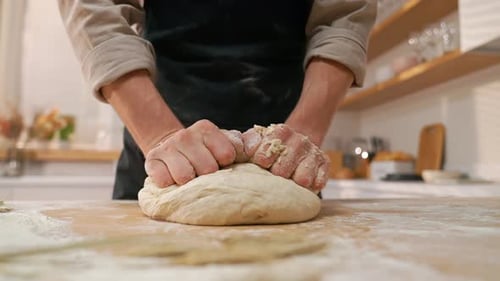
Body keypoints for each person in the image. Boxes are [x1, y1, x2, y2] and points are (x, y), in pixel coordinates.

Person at [58, 0, 376, 200]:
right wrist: (160, 135)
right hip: (161, 142)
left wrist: (306, 129)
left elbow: (344, 15)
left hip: (286, 157)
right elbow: (94, 8)